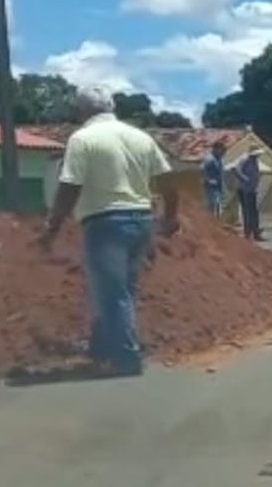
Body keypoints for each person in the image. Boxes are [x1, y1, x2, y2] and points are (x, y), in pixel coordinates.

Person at [39, 86, 179, 377]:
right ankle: (102, 346)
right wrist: (170, 217)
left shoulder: (82, 139)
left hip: (105, 224)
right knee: (122, 290)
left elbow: (69, 187)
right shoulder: (140, 137)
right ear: (111, 107)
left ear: (82, 111)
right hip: (142, 221)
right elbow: (167, 180)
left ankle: (127, 359)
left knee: (112, 294)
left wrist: (52, 227)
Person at [235, 145, 264, 241]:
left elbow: (255, 172)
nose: (257, 156)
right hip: (244, 189)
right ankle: (247, 233)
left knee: (254, 211)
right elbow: (236, 170)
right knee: (247, 212)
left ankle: (256, 233)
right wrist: (244, 178)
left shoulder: (255, 160)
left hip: (252, 189)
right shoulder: (244, 159)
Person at [201, 141, 226, 217]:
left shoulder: (219, 159)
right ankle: (211, 221)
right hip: (211, 186)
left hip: (218, 185)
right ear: (216, 149)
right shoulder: (210, 159)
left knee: (219, 204)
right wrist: (208, 180)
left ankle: (217, 222)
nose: (222, 152)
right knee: (213, 204)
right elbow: (202, 169)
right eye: (221, 150)